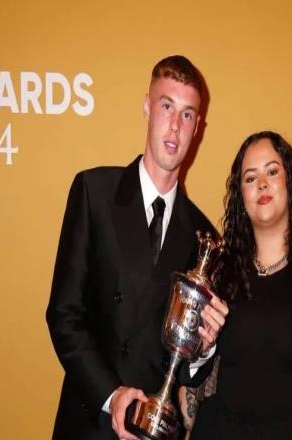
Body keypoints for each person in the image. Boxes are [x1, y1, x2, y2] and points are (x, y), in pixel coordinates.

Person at [46, 55, 229, 440]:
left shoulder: (204, 238)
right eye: (167, 106)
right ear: (147, 107)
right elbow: (63, 315)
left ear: (197, 128)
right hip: (88, 422)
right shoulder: (94, 192)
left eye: (187, 115)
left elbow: (184, 371)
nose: (175, 126)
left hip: (153, 432)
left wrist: (203, 349)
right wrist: (112, 396)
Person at [190, 131, 292, 439]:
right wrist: (201, 347)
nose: (262, 184)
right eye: (250, 178)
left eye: (272, 171)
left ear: (290, 182)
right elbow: (193, 374)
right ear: (240, 196)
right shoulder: (220, 272)